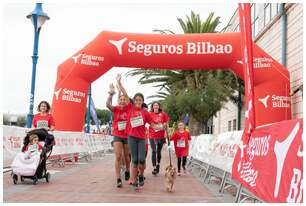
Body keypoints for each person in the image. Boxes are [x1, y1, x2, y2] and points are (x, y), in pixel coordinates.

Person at [116, 74, 158, 189]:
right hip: (131, 137)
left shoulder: (145, 113)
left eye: (140, 100)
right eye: (137, 100)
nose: (138, 101)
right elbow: (125, 94)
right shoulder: (130, 108)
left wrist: (161, 127)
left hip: (141, 139)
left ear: (143, 101)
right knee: (134, 159)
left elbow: (153, 125)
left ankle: (141, 175)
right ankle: (134, 179)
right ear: (134, 101)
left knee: (142, 159)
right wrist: (119, 83)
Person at [106, 83, 131, 188]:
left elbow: (126, 94)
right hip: (117, 135)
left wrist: (120, 85)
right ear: (118, 101)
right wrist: (111, 94)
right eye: (120, 99)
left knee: (126, 156)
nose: (122, 101)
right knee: (118, 156)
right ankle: (118, 179)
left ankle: (127, 170)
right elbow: (107, 104)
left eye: (123, 99)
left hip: (127, 135)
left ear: (126, 101)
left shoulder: (129, 108)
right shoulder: (116, 109)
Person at [148, 102, 169, 175]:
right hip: (152, 135)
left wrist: (166, 132)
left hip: (161, 135)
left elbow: (166, 123)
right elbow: (146, 122)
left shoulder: (163, 114)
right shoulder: (150, 114)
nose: (156, 106)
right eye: (154, 105)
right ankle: (154, 168)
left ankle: (158, 165)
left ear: (159, 106)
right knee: (154, 150)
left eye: (157, 105)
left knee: (158, 151)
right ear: (152, 107)